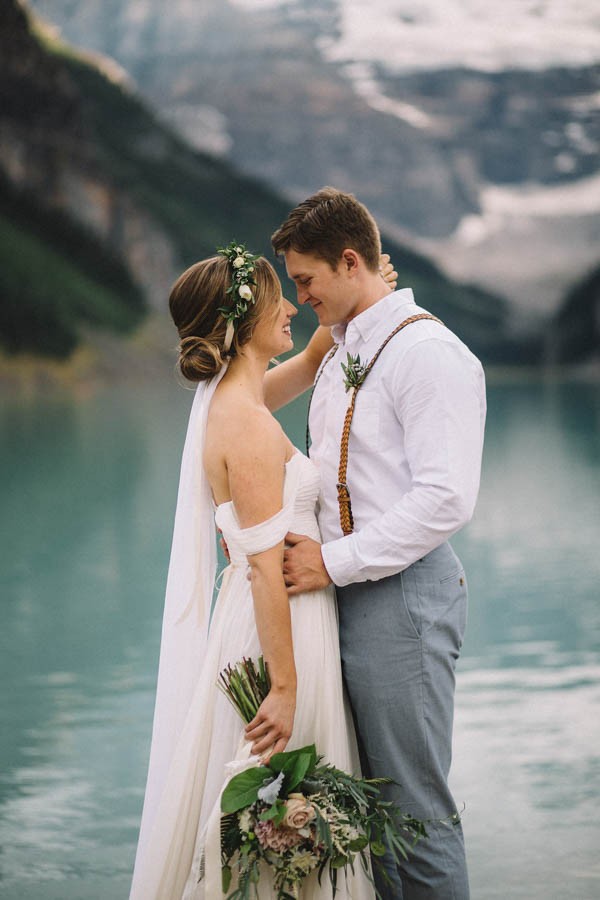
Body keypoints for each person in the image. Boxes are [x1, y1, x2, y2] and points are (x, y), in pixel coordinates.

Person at [129, 245, 396, 899]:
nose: (289, 309)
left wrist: (365, 296)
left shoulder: (238, 396)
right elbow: (263, 567)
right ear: (246, 320)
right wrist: (283, 687)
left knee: (287, 828)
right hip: (277, 630)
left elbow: (309, 361)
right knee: (276, 827)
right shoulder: (243, 424)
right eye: (278, 298)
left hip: (279, 619)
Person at [266, 187, 486, 899]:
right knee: (368, 809)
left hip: (405, 600)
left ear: (351, 261)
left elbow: (445, 497)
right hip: (354, 596)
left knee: (414, 813)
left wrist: (329, 562)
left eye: (307, 280)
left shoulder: (426, 353)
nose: (300, 298)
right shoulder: (347, 349)